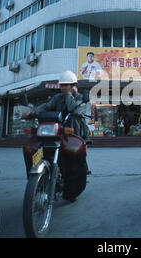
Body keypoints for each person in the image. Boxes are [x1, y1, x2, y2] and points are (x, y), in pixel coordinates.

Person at [22, 70, 89, 200]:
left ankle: (72, 188)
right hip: (55, 130)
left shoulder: (80, 98)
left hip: (73, 130)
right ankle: (38, 179)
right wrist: (32, 113)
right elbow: (46, 107)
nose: (62, 87)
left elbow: (71, 108)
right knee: (32, 146)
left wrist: (70, 94)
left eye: (66, 85)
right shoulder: (57, 97)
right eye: (61, 85)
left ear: (73, 85)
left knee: (74, 156)